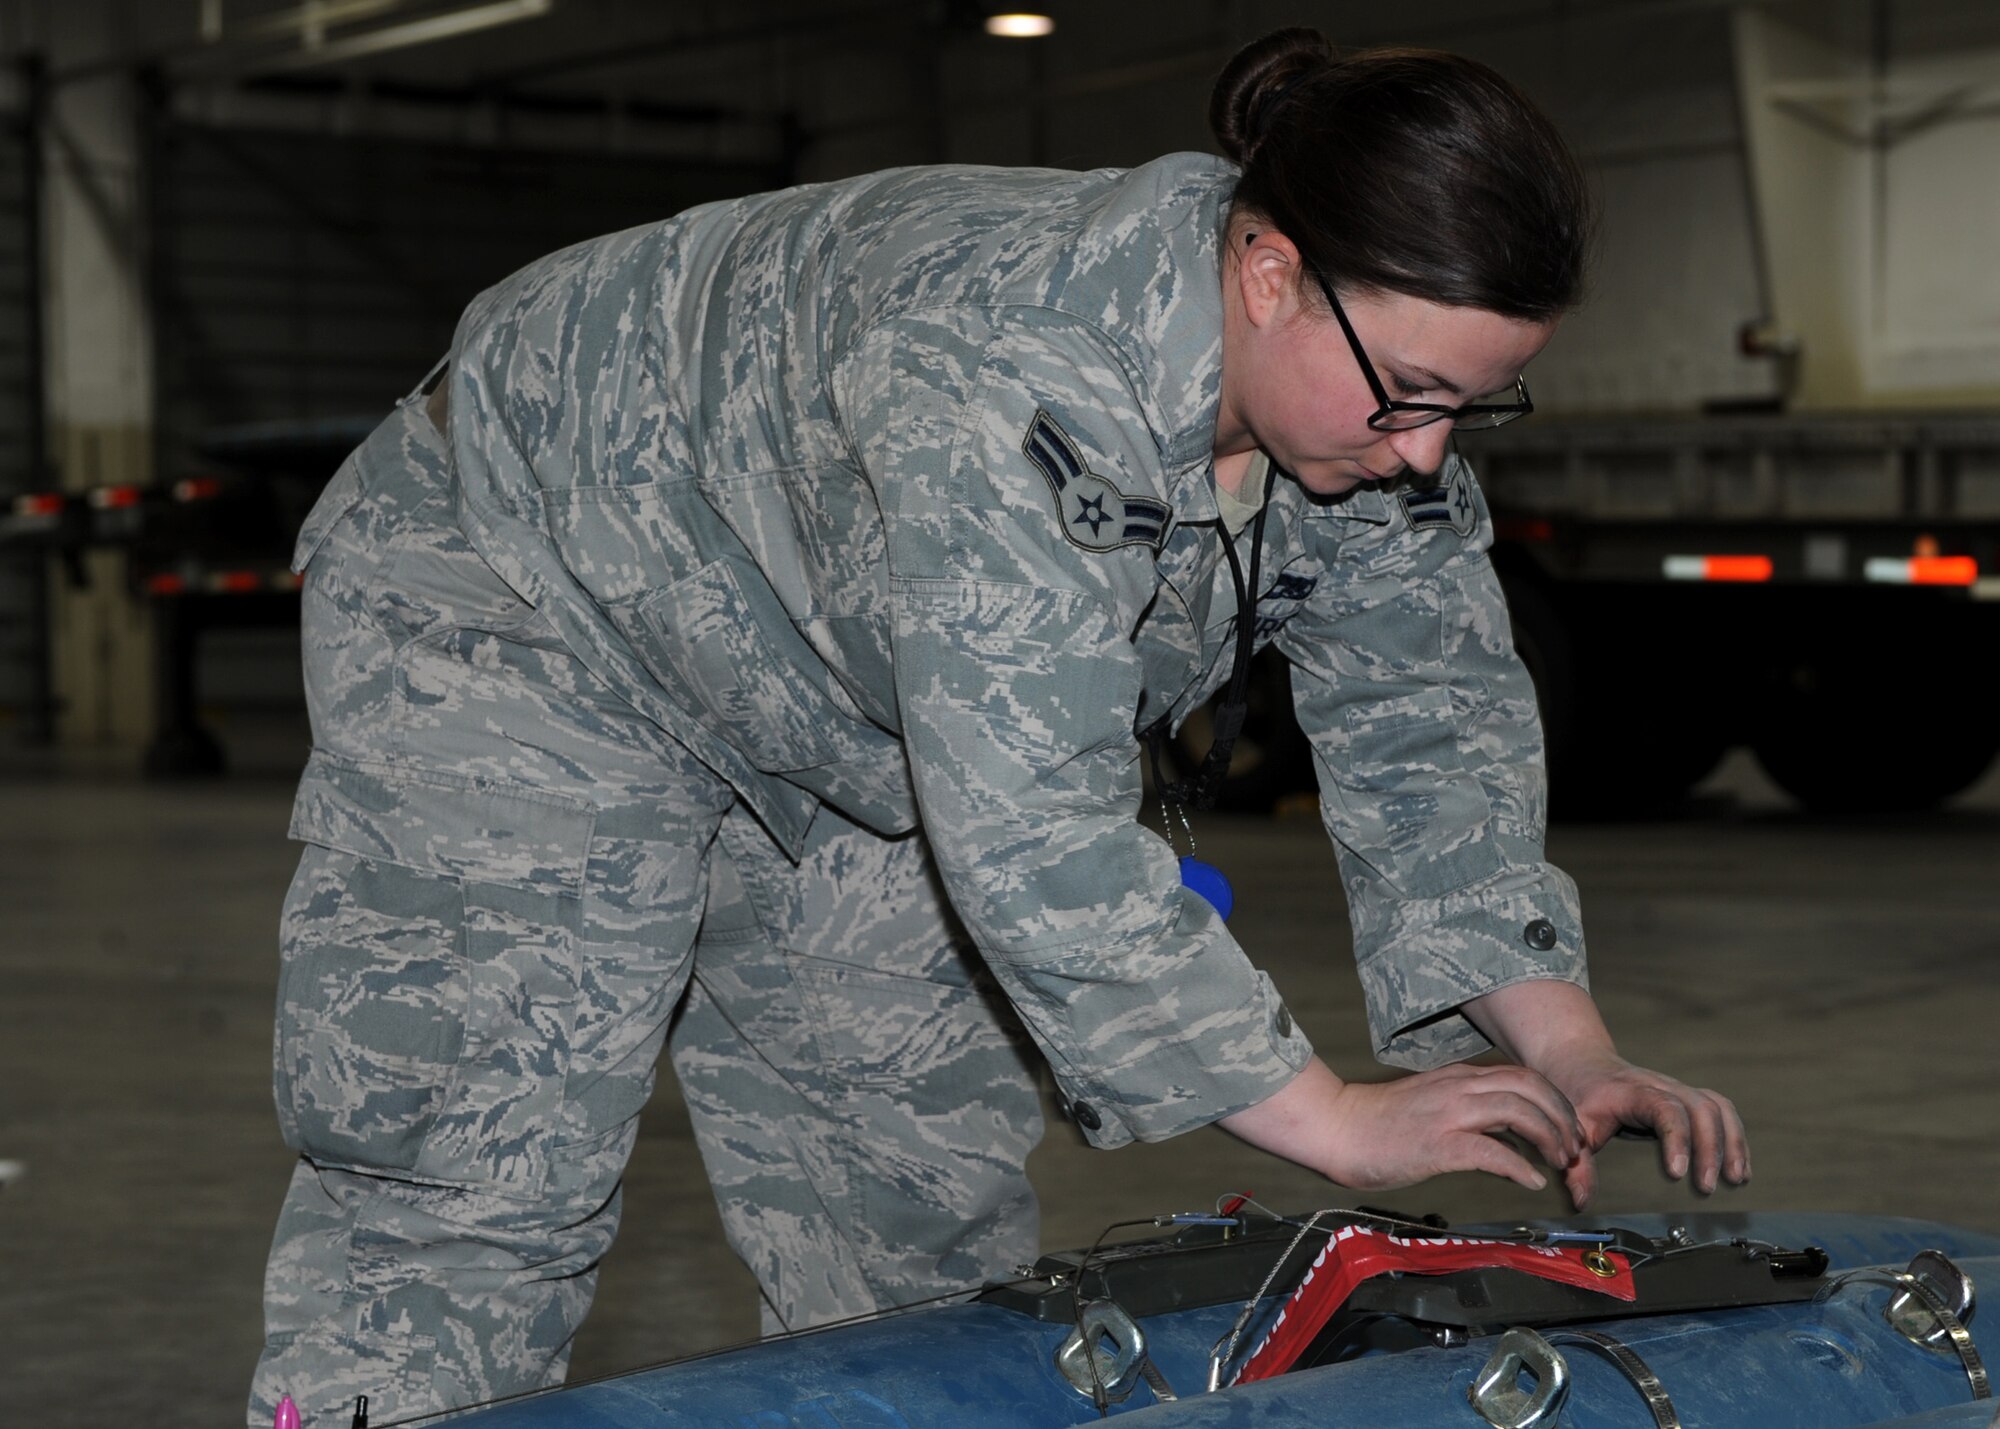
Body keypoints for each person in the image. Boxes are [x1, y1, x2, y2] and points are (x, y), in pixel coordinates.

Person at [250, 27, 1748, 1424]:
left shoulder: (1370, 425)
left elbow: (1434, 723)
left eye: (1473, 408)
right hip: (533, 595)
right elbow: (1032, 827)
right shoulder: (1006, 359)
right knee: (476, 1178)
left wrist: (1569, 1047)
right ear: (1271, 273)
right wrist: (1337, 1120)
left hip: (842, 686)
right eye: (1408, 394)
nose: (1425, 454)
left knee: (908, 1210)